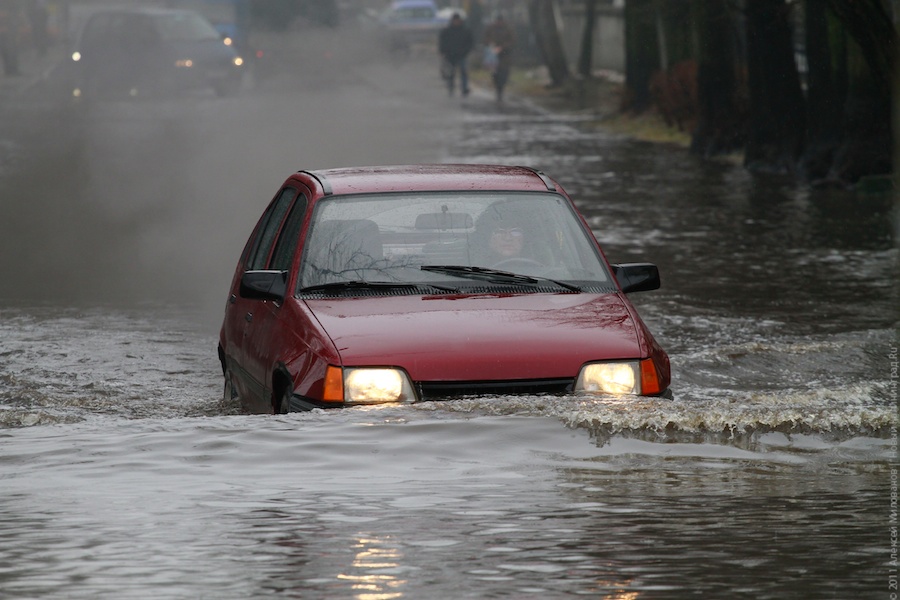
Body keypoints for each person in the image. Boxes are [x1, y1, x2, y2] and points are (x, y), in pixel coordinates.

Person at [438, 12, 473, 97]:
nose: (456, 22)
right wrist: (443, 52)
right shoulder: (447, 31)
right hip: (450, 55)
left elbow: (470, 42)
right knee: (451, 73)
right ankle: (451, 87)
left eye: (458, 20)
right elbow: (442, 43)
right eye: (455, 20)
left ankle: (464, 88)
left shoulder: (465, 31)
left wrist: (466, 51)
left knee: (463, 72)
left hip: (462, 55)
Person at [482, 13, 515, 102]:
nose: (499, 23)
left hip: (505, 55)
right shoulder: (490, 28)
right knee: (495, 74)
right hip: (493, 55)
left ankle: (501, 88)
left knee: (504, 72)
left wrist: (503, 47)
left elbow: (512, 41)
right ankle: (498, 88)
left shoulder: (508, 29)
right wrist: (491, 45)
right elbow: (485, 39)